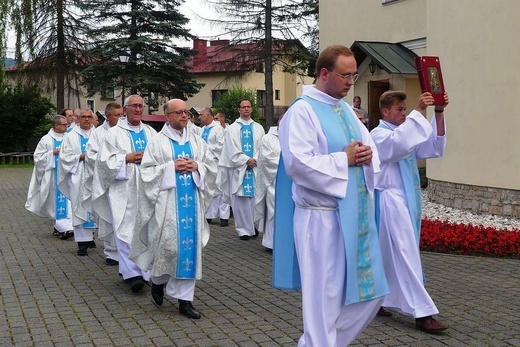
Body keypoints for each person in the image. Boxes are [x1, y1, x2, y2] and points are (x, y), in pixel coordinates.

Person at [273, 45, 389, 346]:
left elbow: (369, 150)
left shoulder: (346, 110)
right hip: (320, 219)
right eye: (345, 75)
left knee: (370, 294)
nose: (351, 82)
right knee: (323, 302)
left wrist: (366, 154)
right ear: (324, 73)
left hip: (355, 216)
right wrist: (344, 160)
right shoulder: (302, 111)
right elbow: (298, 164)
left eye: (354, 75)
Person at [130, 99, 217, 319]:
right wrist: (171, 167)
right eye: (178, 112)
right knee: (169, 249)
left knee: (189, 251)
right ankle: (158, 281)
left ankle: (185, 301)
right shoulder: (157, 142)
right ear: (167, 116)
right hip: (167, 203)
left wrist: (197, 167)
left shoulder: (197, 141)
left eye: (186, 112)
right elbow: (147, 172)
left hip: (192, 204)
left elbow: (212, 166)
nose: (184, 116)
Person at [370, 90, 449, 333]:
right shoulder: (378, 134)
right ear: (385, 112)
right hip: (389, 201)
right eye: (400, 110)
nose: (404, 114)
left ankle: (378, 300)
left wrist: (438, 111)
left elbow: (433, 147)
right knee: (406, 256)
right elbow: (398, 146)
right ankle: (422, 312)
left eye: (405, 110)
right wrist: (419, 110)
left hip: (405, 200)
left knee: (386, 255)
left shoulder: (401, 132)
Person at [92, 95, 156, 292]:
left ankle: (145, 270)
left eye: (140, 106)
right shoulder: (113, 134)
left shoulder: (151, 132)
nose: (137, 109)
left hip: (147, 187)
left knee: (145, 226)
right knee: (124, 227)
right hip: (123, 188)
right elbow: (102, 163)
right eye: (133, 106)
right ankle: (132, 274)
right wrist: (125, 159)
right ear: (126, 109)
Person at [81, 102, 123, 265]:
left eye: (121, 115)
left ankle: (126, 252)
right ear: (107, 116)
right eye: (117, 115)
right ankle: (111, 252)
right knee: (109, 216)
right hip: (106, 182)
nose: (120, 118)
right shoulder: (98, 133)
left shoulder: (124, 132)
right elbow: (91, 155)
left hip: (124, 181)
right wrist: (111, 162)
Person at [217, 99, 265, 240]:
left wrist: (255, 158)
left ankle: (253, 227)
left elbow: (263, 146)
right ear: (239, 109)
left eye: (248, 107)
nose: (246, 109)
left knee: (254, 199)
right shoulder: (232, 128)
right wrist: (245, 159)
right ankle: (243, 230)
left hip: (255, 167)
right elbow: (231, 148)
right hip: (239, 168)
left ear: (251, 109)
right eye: (243, 107)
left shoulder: (258, 127)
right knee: (240, 201)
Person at [25, 115, 74, 238]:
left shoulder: (70, 137)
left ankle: (67, 228)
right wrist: (52, 153)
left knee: (68, 203)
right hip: (53, 176)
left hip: (68, 176)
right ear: (56, 126)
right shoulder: (46, 140)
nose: (66, 126)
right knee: (55, 203)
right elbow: (37, 158)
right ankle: (62, 228)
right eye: (64, 125)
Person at [57, 108, 97, 256]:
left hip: (95, 176)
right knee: (79, 206)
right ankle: (82, 242)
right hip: (78, 175)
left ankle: (91, 236)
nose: (86, 119)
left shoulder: (99, 135)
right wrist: (80, 156)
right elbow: (64, 157)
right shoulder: (70, 136)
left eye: (89, 117)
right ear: (78, 119)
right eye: (83, 117)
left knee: (95, 205)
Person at [254, 116, 281, 250]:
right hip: (273, 180)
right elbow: (267, 159)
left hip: (291, 180)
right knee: (273, 211)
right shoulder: (268, 138)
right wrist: (288, 164)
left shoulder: (292, 136)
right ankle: (271, 243)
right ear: (278, 124)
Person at [198, 107, 229, 226]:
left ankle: (224, 216)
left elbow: (221, 146)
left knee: (220, 188)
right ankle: (209, 214)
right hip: (204, 163)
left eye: (201, 115)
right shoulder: (201, 130)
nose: (199, 117)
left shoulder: (218, 129)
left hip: (217, 162)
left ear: (208, 115)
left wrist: (206, 149)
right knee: (208, 188)